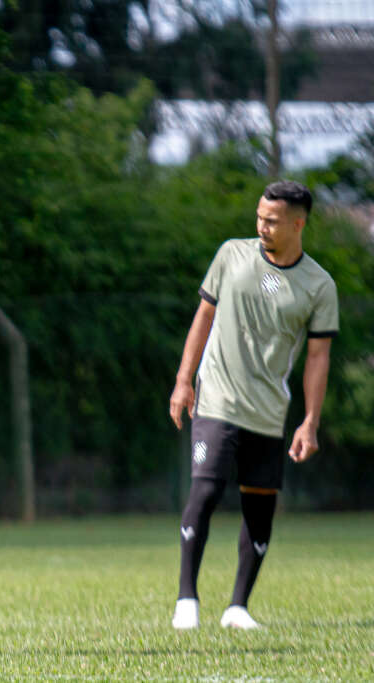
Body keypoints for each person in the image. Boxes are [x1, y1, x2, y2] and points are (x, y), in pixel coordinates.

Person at [168, 180, 338, 630]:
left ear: (298, 224)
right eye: (259, 216)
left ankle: (237, 608)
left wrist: (310, 421)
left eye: (272, 220)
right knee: (204, 490)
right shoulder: (231, 255)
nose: (261, 225)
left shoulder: (319, 285)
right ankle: (187, 600)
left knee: (260, 505)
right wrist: (184, 381)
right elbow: (202, 317)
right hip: (217, 398)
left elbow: (318, 357)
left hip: (268, 410)